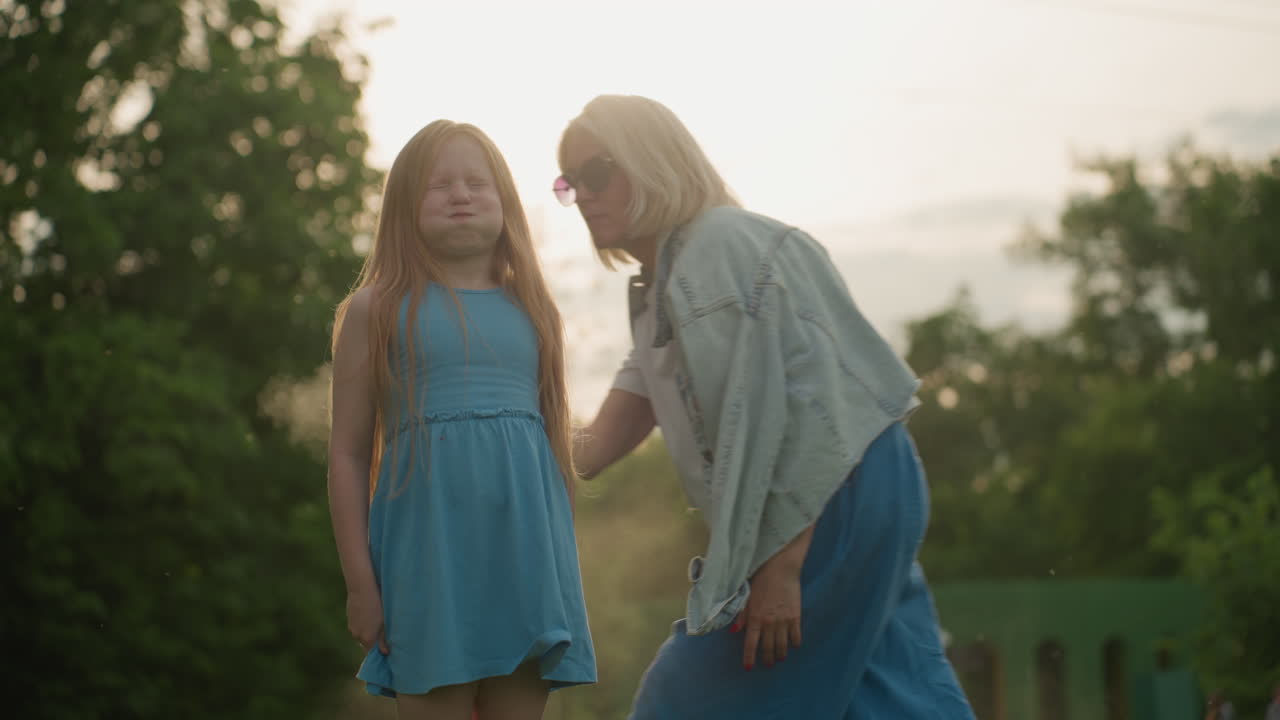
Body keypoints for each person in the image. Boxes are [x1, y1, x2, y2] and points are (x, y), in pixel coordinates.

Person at [559, 94, 974, 719]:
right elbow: (591, 449)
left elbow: (796, 410)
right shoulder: (665, 292)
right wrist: (482, 431)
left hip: (831, 490)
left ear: (652, 162)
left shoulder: (713, 255)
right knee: (889, 689)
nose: (584, 195)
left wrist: (782, 565)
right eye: (570, 183)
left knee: (685, 700)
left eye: (598, 173)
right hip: (869, 478)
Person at [328, 119, 595, 720]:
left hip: (525, 562)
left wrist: (559, 571)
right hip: (427, 560)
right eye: (438, 184)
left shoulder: (534, 309)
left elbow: (553, 444)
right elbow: (346, 453)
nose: (460, 194)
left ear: (505, 202)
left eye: (477, 182)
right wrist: (360, 585)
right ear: (403, 206)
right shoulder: (376, 309)